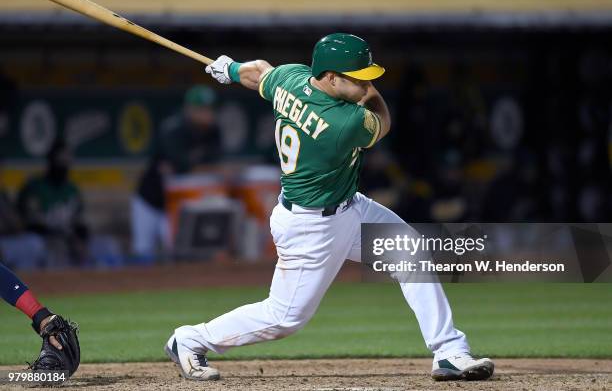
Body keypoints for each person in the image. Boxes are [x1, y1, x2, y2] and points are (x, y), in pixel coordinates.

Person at [164, 33, 494, 381]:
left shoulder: (290, 78)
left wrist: (231, 69)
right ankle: (189, 339)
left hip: (350, 206)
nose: (367, 84)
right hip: (312, 226)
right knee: (284, 318)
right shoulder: (344, 123)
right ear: (331, 78)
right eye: (358, 77)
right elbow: (382, 118)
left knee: (410, 253)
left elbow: (259, 72)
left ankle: (448, 351)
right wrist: (370, 92)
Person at [132, 86, 221, 262]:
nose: (207, 113)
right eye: (201, 109)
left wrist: (193, 165)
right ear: (189, 109)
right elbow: (180, 165)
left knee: (175, 251)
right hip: (150, 198)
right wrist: (195, 165)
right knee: (143, 250)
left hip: (177, 203)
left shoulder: (213, 131)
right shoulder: (173, 129)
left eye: (210, 109)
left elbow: (213, 161)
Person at [16, 139, 89, 266]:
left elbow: (80, 225)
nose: (64, 164)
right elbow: (31, 226)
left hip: (68, 239)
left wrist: (80, 240)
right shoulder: (34, 187)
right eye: (60, 159)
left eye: (67, 159)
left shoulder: (72, 190)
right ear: (51, 160)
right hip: (43, 241)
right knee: (51, 246)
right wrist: (64, 237)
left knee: (107, 245)